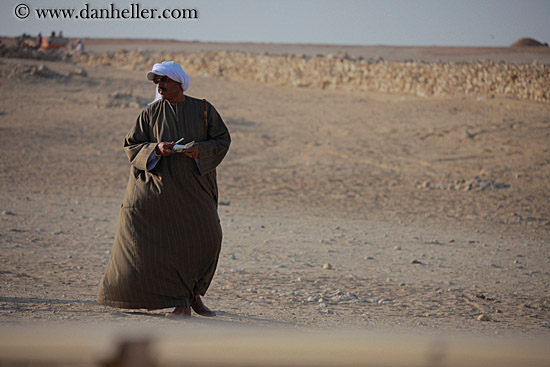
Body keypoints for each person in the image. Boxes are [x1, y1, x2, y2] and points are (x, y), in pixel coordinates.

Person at [97, 61, 231, 318]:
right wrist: (156, 149)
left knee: (207, 237)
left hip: (195, 189)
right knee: (161, 245)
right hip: (159, 190)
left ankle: (193, 295)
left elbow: (222, 140)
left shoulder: (203, 109)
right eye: (156, 82)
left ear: (179, 82)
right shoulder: (149, 114)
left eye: (164, 80)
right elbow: (132, 146)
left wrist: (199, 151)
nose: (160, 86)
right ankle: (182, 301)